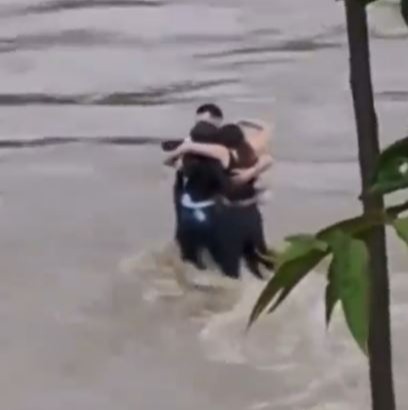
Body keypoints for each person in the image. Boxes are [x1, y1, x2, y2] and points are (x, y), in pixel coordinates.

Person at [165, 115, 274, 279]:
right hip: (253, 214)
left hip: (231, 217)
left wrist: (184, 147)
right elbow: (268, 132)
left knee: (230, 272)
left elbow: (187, 154)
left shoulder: (223, 155)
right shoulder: (251, 149)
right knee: (263, 261)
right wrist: (245, 120)